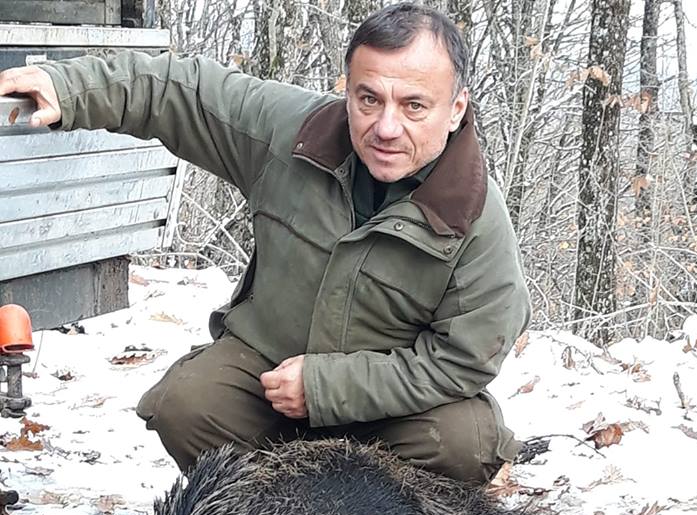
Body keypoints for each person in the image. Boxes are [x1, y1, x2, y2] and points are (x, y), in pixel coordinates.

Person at [0, 3, 530, 483]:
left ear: (455, 109)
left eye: (414, 106)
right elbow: (181, 90)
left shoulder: (475, 218)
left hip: (392, 413)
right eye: (369, 99)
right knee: (186, 405)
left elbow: (462, 360)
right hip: (271, 372)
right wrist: (68, 86)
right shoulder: (293, 132)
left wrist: (326, 387)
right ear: (347, 89)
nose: (386, 127)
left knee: (465, 445)